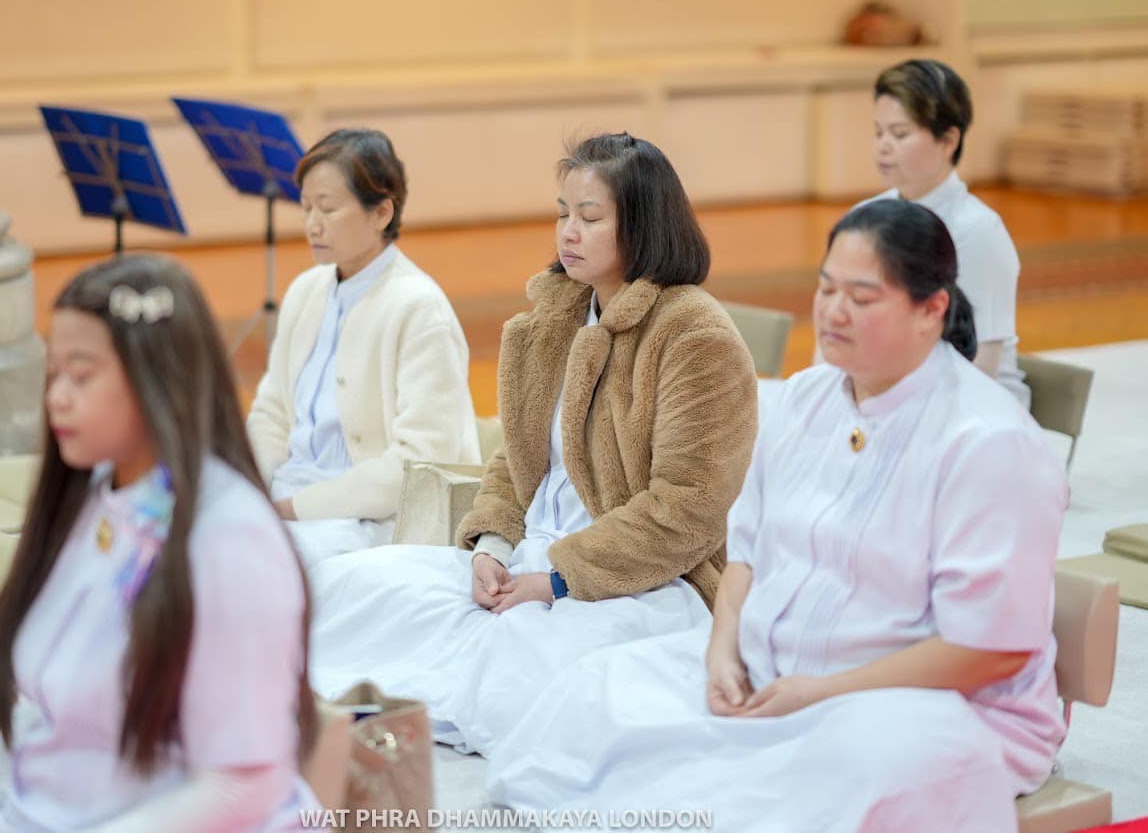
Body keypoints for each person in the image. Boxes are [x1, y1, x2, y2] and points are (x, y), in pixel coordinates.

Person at [487, 199, 1068, 830]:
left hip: (921, 706)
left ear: (932, 309)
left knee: (795, 789)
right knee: (593, 694)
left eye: (863, 298)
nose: (834, 312)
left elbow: (990, 649)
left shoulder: (988, 441)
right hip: (776, 667)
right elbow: (747, 556)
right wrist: (721, 652)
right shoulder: (805, 399)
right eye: (827, 289)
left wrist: (819, 693)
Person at [308, 132, 759, 757]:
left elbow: (688, 510)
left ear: (645, 225)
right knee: (351, 589)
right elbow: (515, 461)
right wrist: (490, 545)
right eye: (562, 213)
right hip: (528, 561)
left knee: (513, 666)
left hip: (633, 583)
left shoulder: (693, 335)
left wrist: (557, 577)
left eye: (590, 217)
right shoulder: (552, 321)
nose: (568, 232)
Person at [0, 254, 320, 831]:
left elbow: (249, 781)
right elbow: (52, 707)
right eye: (53, 373)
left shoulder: (232, 538)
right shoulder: (101, 499)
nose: (57, 396)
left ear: (160, 377)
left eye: (81, 376)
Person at [247, 128, 480, 568]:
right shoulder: (305, 291)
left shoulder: (419, 309)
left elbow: (419, 464)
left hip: (369, 517)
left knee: (262, 568)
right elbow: (272, 413)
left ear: (381, 212)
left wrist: (292, 509)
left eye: (329, 208)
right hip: (288, 498)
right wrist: (250, 488)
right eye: (306, 207)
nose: (312, 223)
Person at [861, 58, 1029, 406]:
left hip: (974, 410)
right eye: (878, 132)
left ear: (949, 139)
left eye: (900, 133)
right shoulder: (865, 218)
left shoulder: (978, 232)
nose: (883, 145)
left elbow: (984, 362)